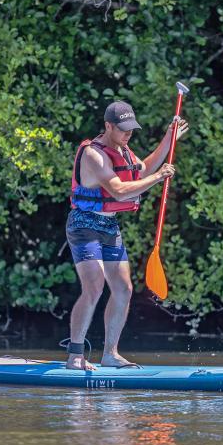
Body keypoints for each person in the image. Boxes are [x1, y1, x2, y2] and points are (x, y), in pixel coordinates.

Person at [64, 100, 189, 370]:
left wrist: (169, 139)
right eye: (123, 130)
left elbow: (142, 168)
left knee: (123, 289)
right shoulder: (93, 155)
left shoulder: (122, 149)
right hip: (84, 224)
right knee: (94, 286)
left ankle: (110, 353)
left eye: (131, 129)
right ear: (108, 126)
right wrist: (159, 178)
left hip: (109, 225)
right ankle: (75, 354)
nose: (128, 134)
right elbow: (120, 190)